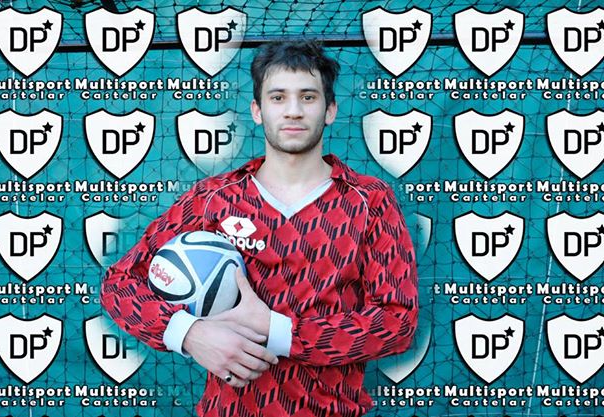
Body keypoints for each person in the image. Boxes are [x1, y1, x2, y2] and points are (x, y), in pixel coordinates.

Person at [101, 40, 418, 417]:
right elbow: (120, 283)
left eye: (308, 97)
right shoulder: (215, 197)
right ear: (257, 110)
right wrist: (190, 334)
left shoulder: (370, 200)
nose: (294, 111)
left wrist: (278, 331)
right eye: (278, 97)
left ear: (330, 110)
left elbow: (398, 323)